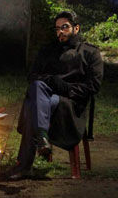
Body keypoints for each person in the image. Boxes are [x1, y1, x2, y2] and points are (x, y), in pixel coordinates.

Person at [7, 11, 104, 179]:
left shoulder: (90, 53)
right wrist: (51, 81)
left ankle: (25, 164)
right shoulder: (48, 51)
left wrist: (65, 87)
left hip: (71, 105)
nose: (60, 32)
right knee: (37, 87)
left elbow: (93, 86)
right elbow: (32, 76)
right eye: (57, 28)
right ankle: (42, 138)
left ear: (76, 28)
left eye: (65, 27)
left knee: (32, 105)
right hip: (46, 96)